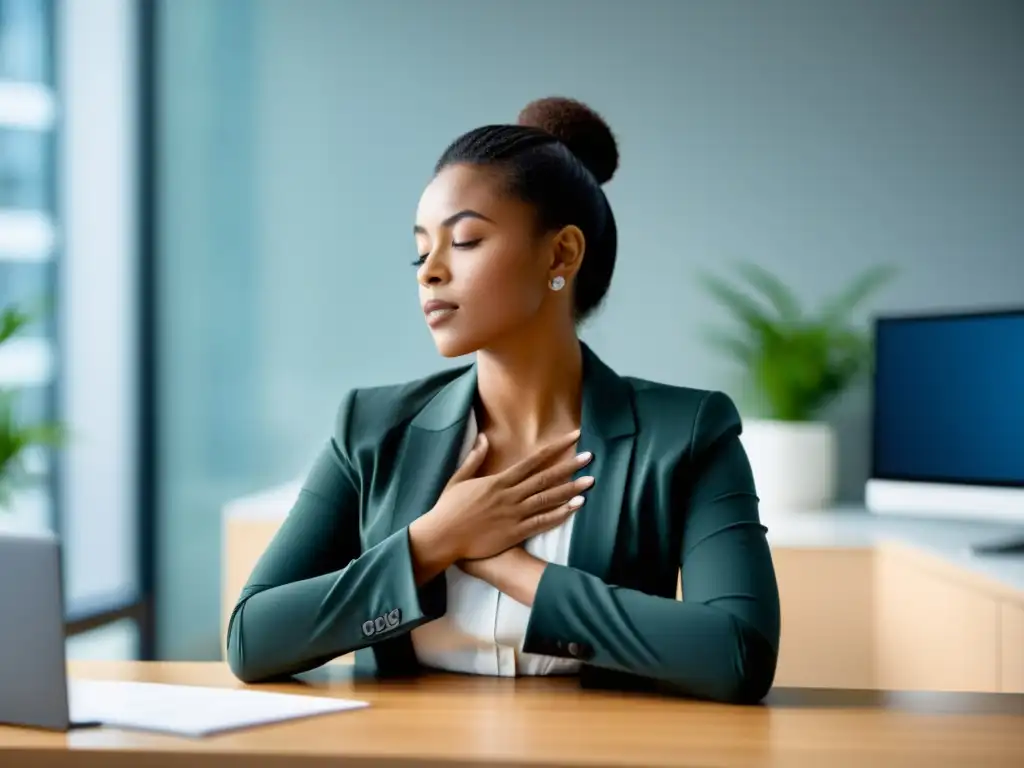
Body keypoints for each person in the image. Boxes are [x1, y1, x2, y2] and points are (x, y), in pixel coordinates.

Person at [226, 97, 781, 704]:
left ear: (561, 254)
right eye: (421, 249)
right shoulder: (371, 427)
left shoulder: (687, 433)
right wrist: (435, 540)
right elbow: (253, 641)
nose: (428, 272)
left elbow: (738, 654)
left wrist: (512, 568)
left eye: (464, 241)